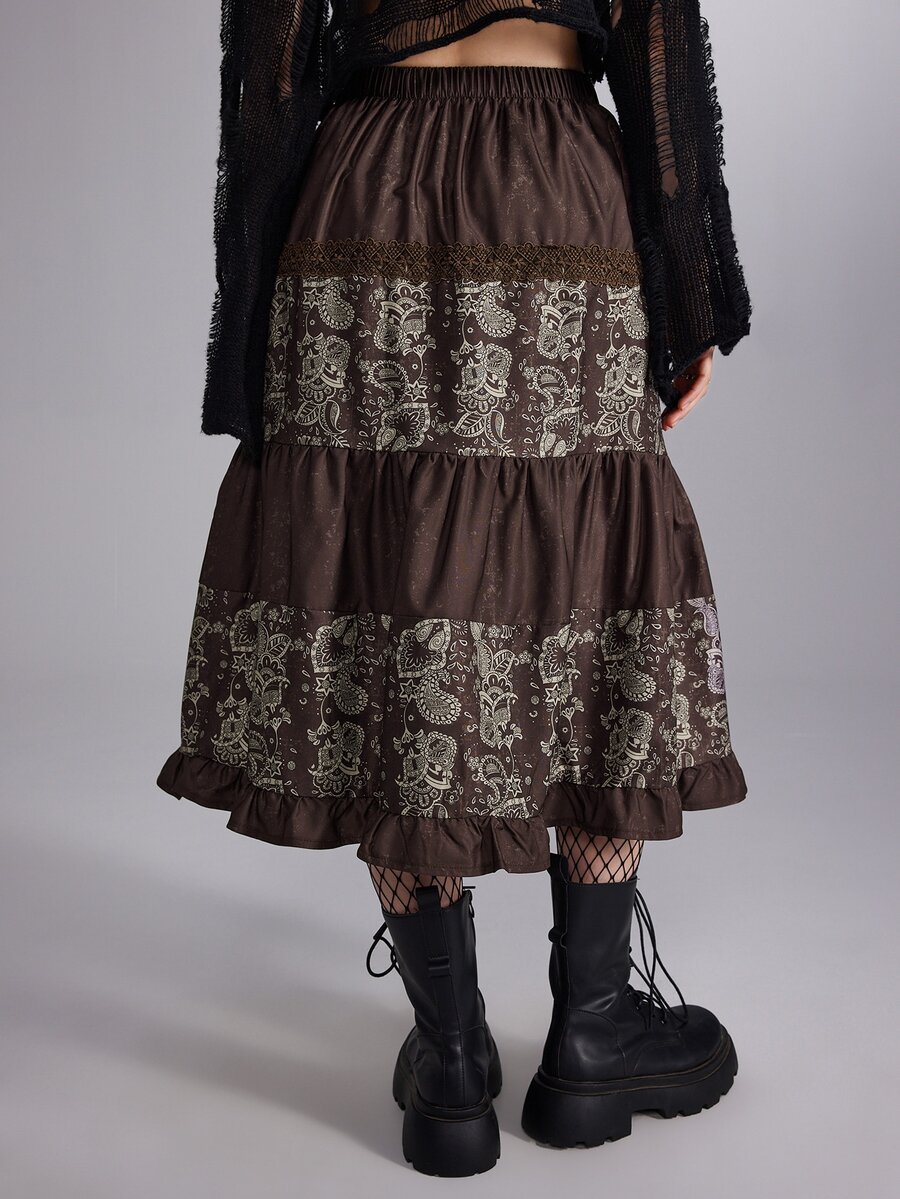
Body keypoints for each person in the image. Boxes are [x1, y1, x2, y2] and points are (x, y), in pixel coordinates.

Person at [157, 0, 752, 1177]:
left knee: (388, 582)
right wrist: (693, 300)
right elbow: (664, 75)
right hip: (554, 183)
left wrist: (252, 323)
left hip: (363, 194)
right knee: (588, 576)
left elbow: (270, 84)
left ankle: (452, 1065)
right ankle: (592, 1035)